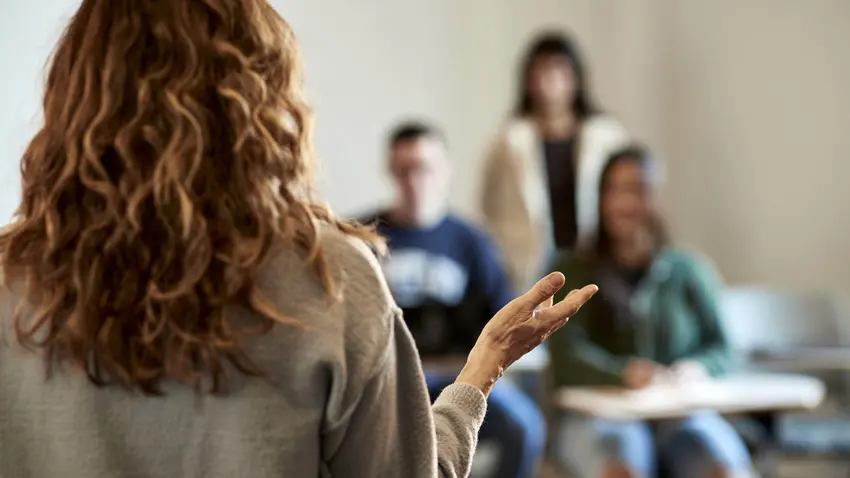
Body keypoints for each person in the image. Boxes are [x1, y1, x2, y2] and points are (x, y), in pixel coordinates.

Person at [0, 1, 600, 477]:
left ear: (74, 94)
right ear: (263, 99)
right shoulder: (332, 276)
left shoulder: (9, 278)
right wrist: (483, 369)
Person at [547, 146, 752, 478]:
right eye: (616, 190)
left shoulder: (688, 270)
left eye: (639, 190)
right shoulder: (573, 269)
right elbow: (566, 354)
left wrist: (697, 368)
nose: (627, 203)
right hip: (600, 414)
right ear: (601, 199)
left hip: (680, 413)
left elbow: (724, 349)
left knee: (723, 466)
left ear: (656, 197)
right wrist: (622, 373)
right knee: (621, 466)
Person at [361, 121, 547, 478]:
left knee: (524, 427)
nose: (415, 180)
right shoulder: (361, 235)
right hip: (386, 382)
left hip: (458, 377)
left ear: (445, 171)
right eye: (404, 169)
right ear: (390, 171)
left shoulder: (471, 242)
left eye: (424, 168)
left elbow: (504, 316)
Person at [481, 31, 630, 292]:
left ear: (576, 77)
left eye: (559, 71)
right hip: (529, 263)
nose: (550, 82)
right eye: (541, 72)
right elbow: (489, 206)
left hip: (595, 257)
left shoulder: (606, 136)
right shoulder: (508, 140)